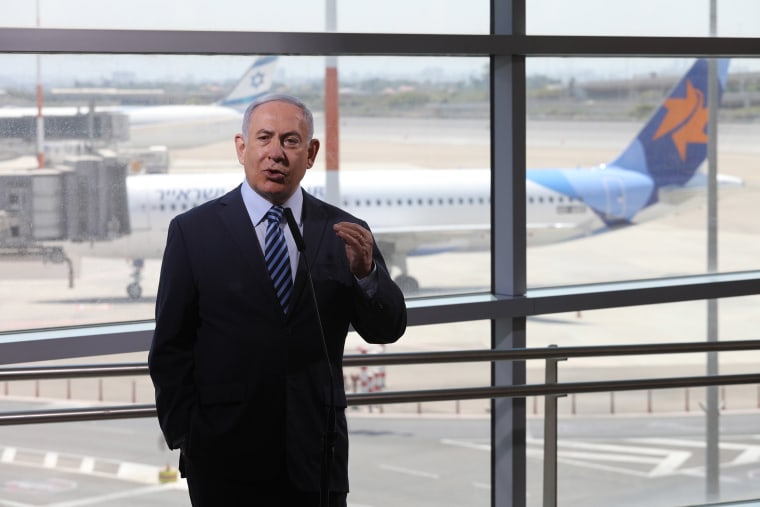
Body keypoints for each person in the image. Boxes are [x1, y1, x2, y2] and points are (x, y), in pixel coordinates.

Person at [148, 93, 407, 506]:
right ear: (241, 147)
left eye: (290, 141)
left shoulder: (343, 231)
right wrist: (187, 435)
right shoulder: (192, 232)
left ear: (310, 153)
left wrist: (366, 275)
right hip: (222, 458)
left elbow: (387, 328)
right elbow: (169, 349)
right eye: (264, 138)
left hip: (316, 456)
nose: (275, 153)